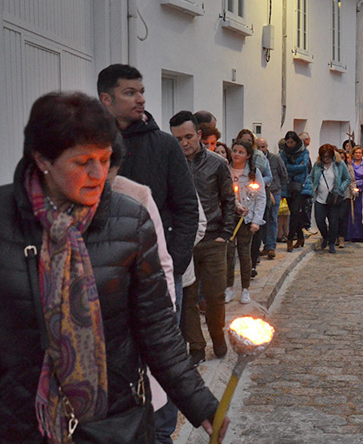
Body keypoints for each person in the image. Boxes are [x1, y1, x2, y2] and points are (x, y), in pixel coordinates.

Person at [0, 92, 225, 444]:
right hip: (14, 434)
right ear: (42, 160)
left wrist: (199, 402)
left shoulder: (129, 221)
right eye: (81, 161)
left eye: (105, 159)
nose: (97, 173)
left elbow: (158, 328)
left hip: (114, 431)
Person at [97, 65, 199, 306]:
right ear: (106, 99)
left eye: (141, 92)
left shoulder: (165, 145)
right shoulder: (90, 143)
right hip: (105, 270)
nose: (140, 99)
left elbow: (187, 207)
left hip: (158, 269)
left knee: (162, 339)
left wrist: (174, 261)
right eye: (130, 93)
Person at [169, 111, 236, 365]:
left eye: (188, 137)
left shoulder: (216, 164)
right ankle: (196, 346)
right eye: (178, 139)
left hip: (213, 240)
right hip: (183, 242)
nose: (184, 143)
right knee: (187, 297)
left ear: (198, 135)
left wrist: (225, 235)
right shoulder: (171, 164)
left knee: (215, 295)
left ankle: (217, 336)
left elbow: (229, 200)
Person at [227, 140, 265, 304]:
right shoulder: (226, 171)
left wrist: (256, 220)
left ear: (248, 155)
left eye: (240, 152)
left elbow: (260, 197)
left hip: (246, 219)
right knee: (228, 254)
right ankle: (229, 287)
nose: (236, 154)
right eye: (234, 151)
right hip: (229, 217)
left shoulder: (254, 173)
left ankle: (245, 289)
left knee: (244, 254)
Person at [310, 144, 351, 254]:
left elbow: (348, 178)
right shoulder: (318, 165)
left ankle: (332, 243)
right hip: (320, 198)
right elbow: (311, 177)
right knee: (319, 220)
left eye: (328, 156)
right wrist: (313, 187)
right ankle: (325, 236)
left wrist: (340, 189)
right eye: (324, 156)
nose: (326, 159)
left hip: (334, 198)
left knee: (333, 222)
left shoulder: (339, 165)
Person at [257, 137, 288, 260]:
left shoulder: (275, 159)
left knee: (272, 218)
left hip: (274, 192)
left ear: (267, 146)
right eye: (258, 147)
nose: (261, 149)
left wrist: (278, 187)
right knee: (262, 219)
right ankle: (266, 244)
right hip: (260, 192)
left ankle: (271, 247)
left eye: (263, 147)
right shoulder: (255, 159)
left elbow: (284, 175)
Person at [281, 131, 312, 251]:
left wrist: (291, 168)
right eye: (287, 142)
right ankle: (300, 237)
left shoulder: (304, 151)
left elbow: (305, 167)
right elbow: (284, 167)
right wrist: (296, 168)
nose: (289, 145)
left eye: (291, 142)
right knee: (295, 213)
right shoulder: (283, 153)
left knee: (295, 210)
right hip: (289, 186)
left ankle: (290, 238)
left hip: (302, 186)